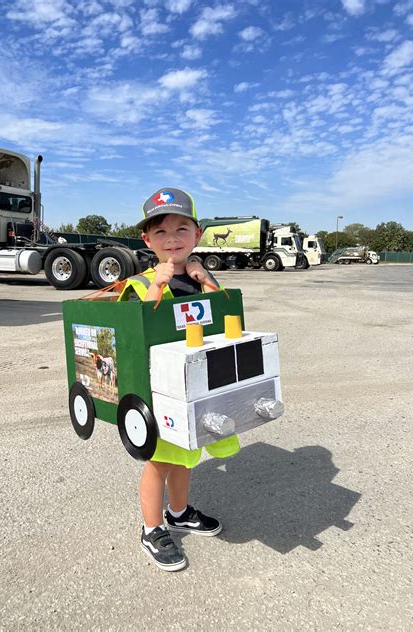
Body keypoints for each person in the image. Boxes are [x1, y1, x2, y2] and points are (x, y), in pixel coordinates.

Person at [118, 188, 240, 571]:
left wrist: (206, 280)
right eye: (161, 231)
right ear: (147, 240)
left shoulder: (202, 275)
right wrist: (158, 283)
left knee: (188, 454)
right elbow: (134, 333)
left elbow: (226, 315)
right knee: (158, 461)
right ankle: (151, 528)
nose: (172, 238)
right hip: (158, 389)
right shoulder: (139, 283)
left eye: (181, 229)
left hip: (197, 383)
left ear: (197, 235)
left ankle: (180, 511)